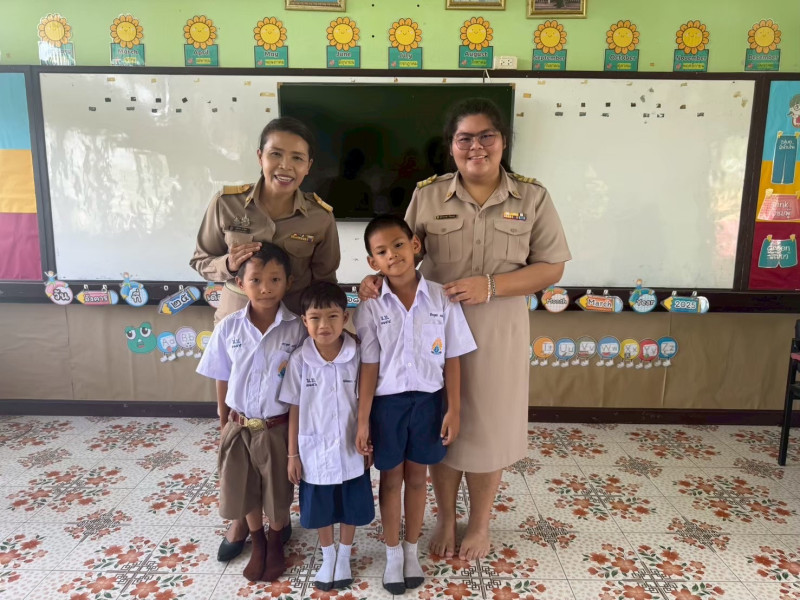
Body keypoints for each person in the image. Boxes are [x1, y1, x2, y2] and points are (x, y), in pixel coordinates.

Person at [360, 98, 571, 561]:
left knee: (487, 430)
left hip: (498, 332)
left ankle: (479, 524)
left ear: (503, 141)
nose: (476, 147)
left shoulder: (532, 197)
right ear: (451, 146)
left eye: (486, 136)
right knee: (438, 426)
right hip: (430, 334)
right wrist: (372, 280)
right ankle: (443, 518)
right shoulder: (429, 195)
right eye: (464, 139)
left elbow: (552, 267)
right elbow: (398, 251)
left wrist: (491, 285)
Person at [190, 117, 340, 560]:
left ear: (308, 165)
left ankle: (278, 516)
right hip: (238, 323)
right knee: (240, 425)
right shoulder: (227, 203)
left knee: (280, 429)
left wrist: (331, 330)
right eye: (276, 154)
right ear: (260, 156)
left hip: (291, 332)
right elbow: (200, 258)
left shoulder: (320, 216)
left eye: (297, 158)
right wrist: (227, 265)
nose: (285, 165)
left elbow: (325, 278)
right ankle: (241, 518)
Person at [354, 215, 477, 594]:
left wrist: (453, 409)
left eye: (398, 245)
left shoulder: (442, 297)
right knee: (391, 480)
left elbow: (453, 357)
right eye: (381, 252)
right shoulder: (371, 306)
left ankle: (411, 551)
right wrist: (363, 420)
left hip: (428, 403)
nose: (392, 255)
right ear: (373, 262)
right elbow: (369, 366)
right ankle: (392, 553)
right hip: (387, 406)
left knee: (418, 479)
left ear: (415, 245)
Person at [196, 243, 305, 583]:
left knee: (277, 491)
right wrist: (223, 421)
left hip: (277, 427)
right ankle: (257, 541)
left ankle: (275, 541)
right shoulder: (229, 327)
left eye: (275, 279)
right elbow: (222, 375)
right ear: (240, 283)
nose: (265, 288)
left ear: (288, 282)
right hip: (240, 425)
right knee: (246, 489)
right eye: (256, 280)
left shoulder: (297, 329)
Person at [281, 282, 375, 592]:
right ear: (304, 321)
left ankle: (344, 555)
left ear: (345, 318)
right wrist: (293, 454)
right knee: (320, 506)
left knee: (350, 504)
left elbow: (366, 401)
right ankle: (328, 555)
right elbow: (294, 408)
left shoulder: (357, 355)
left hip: (351, 447)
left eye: (333, 316)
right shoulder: (299, 360)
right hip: (313, 450)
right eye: (315, 318)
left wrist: (369, 438)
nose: (324, 325)